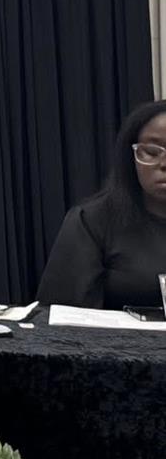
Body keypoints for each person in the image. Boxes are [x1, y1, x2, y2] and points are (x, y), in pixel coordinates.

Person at [37, 99, 166, 308]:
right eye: (151, 152)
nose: (164, 164)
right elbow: (60, 319)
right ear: (131, 157)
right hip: (114, 340)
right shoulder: (92, 220)